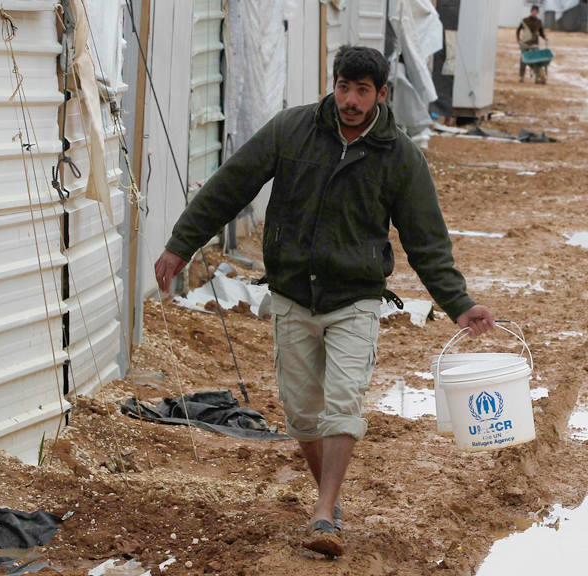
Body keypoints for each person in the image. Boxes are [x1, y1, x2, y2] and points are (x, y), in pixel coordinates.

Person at [153, 46, 496, 558]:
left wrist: (459, 302)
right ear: (333, 85)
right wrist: (182, 244)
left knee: (342, 403)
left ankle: (324, 510)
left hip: (354, 299)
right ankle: (328, 499)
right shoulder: (291, 131)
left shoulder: (399, 157)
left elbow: (427, 240)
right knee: (301, 412)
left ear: (382, 94)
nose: (350, 100)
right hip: (292, 294)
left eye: (362, 91)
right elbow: (232, 185)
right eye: (343, 87)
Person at [517, 4, 547, 83]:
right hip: (526, 43)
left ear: (537, 12)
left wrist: (545, 38)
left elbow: (541, 33)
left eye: (536, 11)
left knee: (537, 60)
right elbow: (518, 30)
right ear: (531, 11)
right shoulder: (525, 21)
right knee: (523, 59)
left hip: (534, 44)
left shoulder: (539, 22)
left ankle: (537, 76)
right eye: (533, 11)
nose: (534, 12)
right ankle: (521, 76)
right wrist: (519, 39)